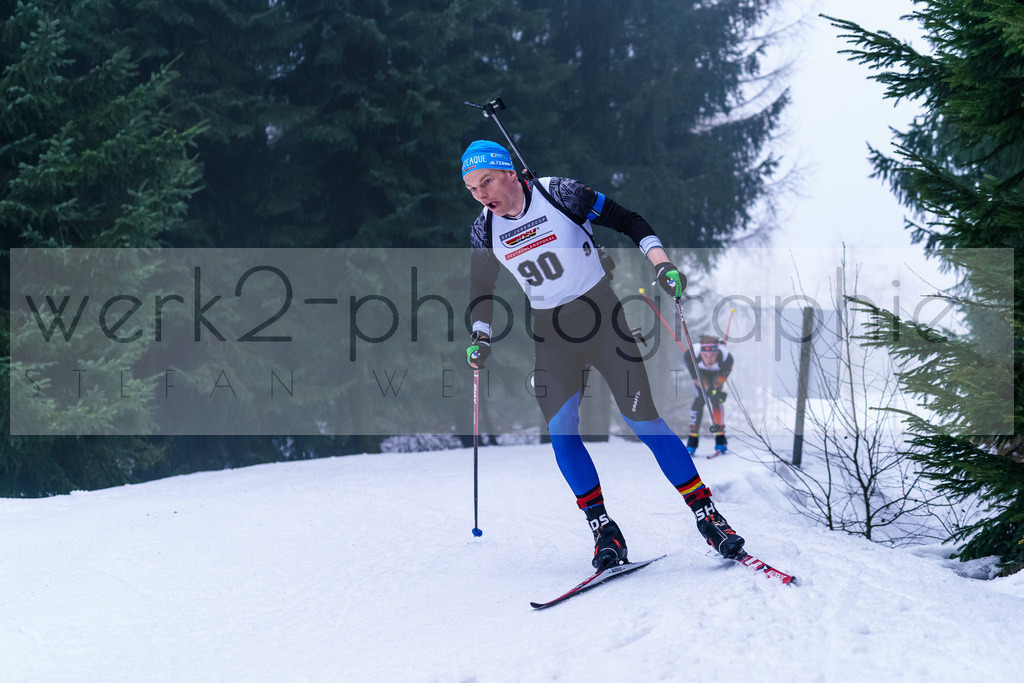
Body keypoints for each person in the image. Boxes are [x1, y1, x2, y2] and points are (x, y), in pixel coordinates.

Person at [461, 139, 745, 569]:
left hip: (603, 319)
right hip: (550, 334)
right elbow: (482, 287)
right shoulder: (484, 228)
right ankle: (604, 530)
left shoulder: (560, 194)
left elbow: (629, 220)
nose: (482, 195)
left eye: (486, 182)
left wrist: (662, 263)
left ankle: (708, 515)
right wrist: (480, 335)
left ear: (510, 172)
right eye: (472, 189)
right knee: (562, 430)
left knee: (642, 420)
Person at [686, 335, 733, 456]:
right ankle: (692, 440)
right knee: (699, 399)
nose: (709, 360)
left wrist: (715, 390)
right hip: (700, 375)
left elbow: (720, 380)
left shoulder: (727, 358)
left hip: (716, 374)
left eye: (712, 356)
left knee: (716, 400)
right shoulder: (690, 355)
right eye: (706, 356)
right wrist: (708, 388)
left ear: (717, 353)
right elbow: (695, 378)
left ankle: (720, 439)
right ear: (701, 354)